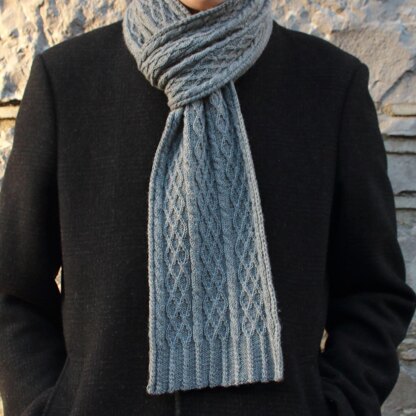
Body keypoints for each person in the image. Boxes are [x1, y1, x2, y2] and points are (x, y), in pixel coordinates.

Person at [0, 0, 415, 415]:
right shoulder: (68, 80)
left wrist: (336, 405)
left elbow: (372, 290)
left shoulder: (329, 85)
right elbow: (13, 290)